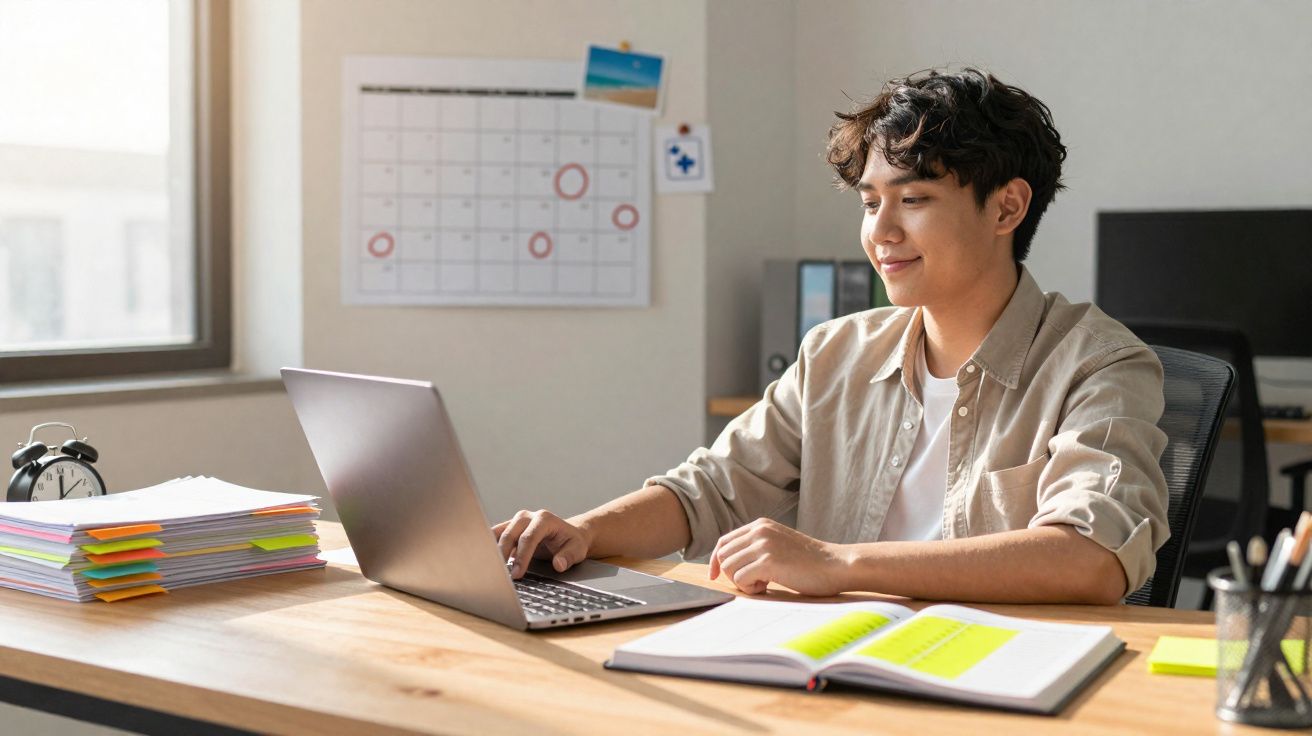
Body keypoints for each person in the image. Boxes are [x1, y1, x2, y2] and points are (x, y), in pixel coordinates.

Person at [493, 68, 1168, 605]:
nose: (881, 232)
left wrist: (836, 563)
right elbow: (713, 491)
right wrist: (584, 532)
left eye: (914, 199)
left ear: (1007, 207)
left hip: (994, 677)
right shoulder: (835, 352)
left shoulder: (1099, 363)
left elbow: (1092, 557)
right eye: (871, 203)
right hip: (830, 664)